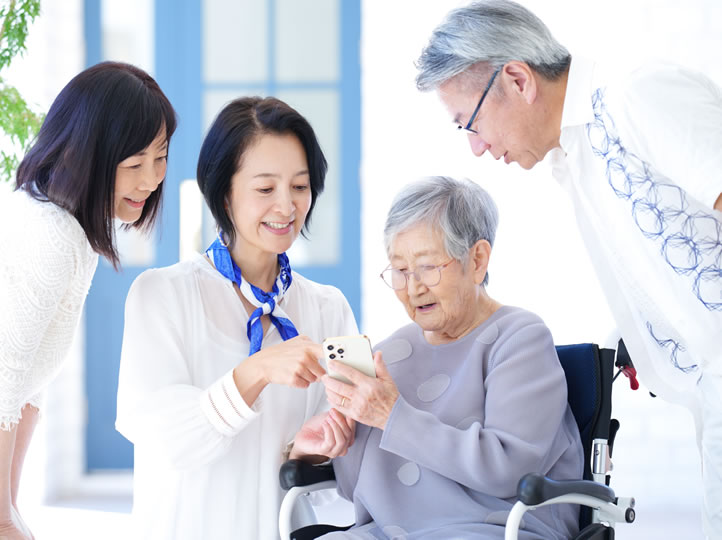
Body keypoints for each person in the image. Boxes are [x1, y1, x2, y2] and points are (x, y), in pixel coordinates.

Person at [415, 1, 722, 536]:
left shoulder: (633, 94)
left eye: (473, 122)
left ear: (517, 79)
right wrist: (646, 338)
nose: (477, 147)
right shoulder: (574, 157)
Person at [115, 96, 358, 540]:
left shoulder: (329, 307)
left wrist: (308, 451)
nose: (286, 207)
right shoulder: (161, 294)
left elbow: (348, 458)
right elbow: (166, 437)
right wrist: (257, 370)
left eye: (300, 187)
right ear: (224, 192)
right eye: (265, 189)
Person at [0, 61, 177, 540]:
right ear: (86, 156)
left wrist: (8, 508)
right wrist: (0, 519)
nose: (151, 179)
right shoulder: (48, 235)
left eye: (159, 157)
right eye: (134, 164)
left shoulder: (69, 229)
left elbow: (27, 386)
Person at [320, 176, 583, 539]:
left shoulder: (520, 338)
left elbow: (509, 471)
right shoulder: (389, 354)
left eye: (427, 266)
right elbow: (357, 492)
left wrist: (392, 416)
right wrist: (341, 439)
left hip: (492, 527)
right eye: (399, 270)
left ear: (476, 260)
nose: (413, 287)